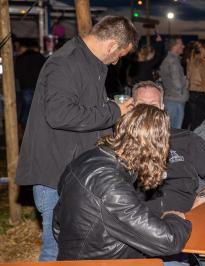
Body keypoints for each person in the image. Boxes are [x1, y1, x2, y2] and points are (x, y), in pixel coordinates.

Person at [15, 16, 138, 261]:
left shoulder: (88, 63)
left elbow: (83, 110)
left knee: (76, 250)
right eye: (120, 55)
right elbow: (60, 115)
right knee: (57, 249)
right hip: (56, 176)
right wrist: (113, 111)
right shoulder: (66, 62)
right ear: (112, 45)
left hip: (73, 173)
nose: (116, 62)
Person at [53, 104, 191, 260]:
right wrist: (175, 219)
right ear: (155, 147)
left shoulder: (85, 160)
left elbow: (58, 222)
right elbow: (168, 241)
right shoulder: (111, 186)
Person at [131, 81, 205, 214]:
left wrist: (203, 197)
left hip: (187, 218)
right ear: (131, 108)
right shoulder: (123, 144)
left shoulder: (186, 139)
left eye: (153, 105)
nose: (149, 112)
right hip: (142, 224)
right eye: (142, 105)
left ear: (162, 107)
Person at [14, 38, 46, 128]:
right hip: (38, 88)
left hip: (25, 87)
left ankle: (25, 127)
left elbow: (16, 73)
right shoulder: (40, 57)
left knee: (26, 108)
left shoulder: (20, 58)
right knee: (38, 110)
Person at [159, 36, 189, 129]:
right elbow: (178, 84)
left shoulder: (168, 59)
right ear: (175, 46)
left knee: (168, 129)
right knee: (175, 130)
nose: (183, 46)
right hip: (176, 100)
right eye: (181, 44)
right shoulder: (173, 61)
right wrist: (186, 81)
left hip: (170, 98)